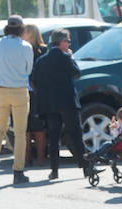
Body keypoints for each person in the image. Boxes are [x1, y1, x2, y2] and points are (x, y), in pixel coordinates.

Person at [30, 28, 90, 181]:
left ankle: (54, 170)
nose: (69, 44)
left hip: (50, 105)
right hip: (68, 103)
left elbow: (33, 82)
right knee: (76, 135)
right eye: (68, 41)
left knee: (54, 138)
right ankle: (86, 168)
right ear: (62, 42)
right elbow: (76, 73)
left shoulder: (41, 60)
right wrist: (70, 57)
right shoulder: (65, 57)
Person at [0, 15, 33, 185]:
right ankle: (18, 171)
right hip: (19, 91)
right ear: (21, 28)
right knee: (20, 133)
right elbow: (29, 69)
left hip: (1, 91)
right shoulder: (26, 46)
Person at [23, 23, 47, 168]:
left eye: (24, 32)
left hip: (38, 92)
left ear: (30, 34)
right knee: (24, 127)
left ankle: (40, 158)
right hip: (23, 90)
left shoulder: (42, 50)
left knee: (38, 126)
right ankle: (25, 158)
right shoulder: (21, 48)